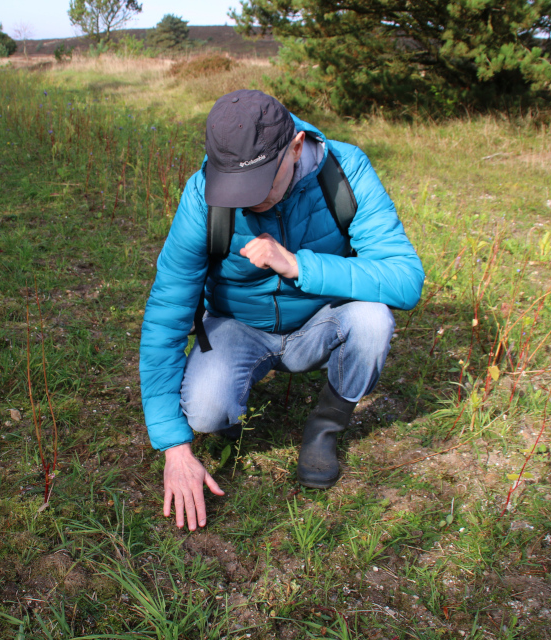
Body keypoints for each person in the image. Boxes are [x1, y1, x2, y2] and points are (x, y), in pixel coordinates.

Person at [139, 90, 424, 532]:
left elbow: (405, 278)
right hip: (237, 325)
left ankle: (326, 426)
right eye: (234, 189)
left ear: (295, 147)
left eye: (259, 187)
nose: (247, 203)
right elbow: (167, 310)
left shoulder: (344, 170)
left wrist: (299, 266)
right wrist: (174, 447)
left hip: (319, 321)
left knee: (373, 319)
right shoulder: (203, 195)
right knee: (204, 412)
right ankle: (231, 409)